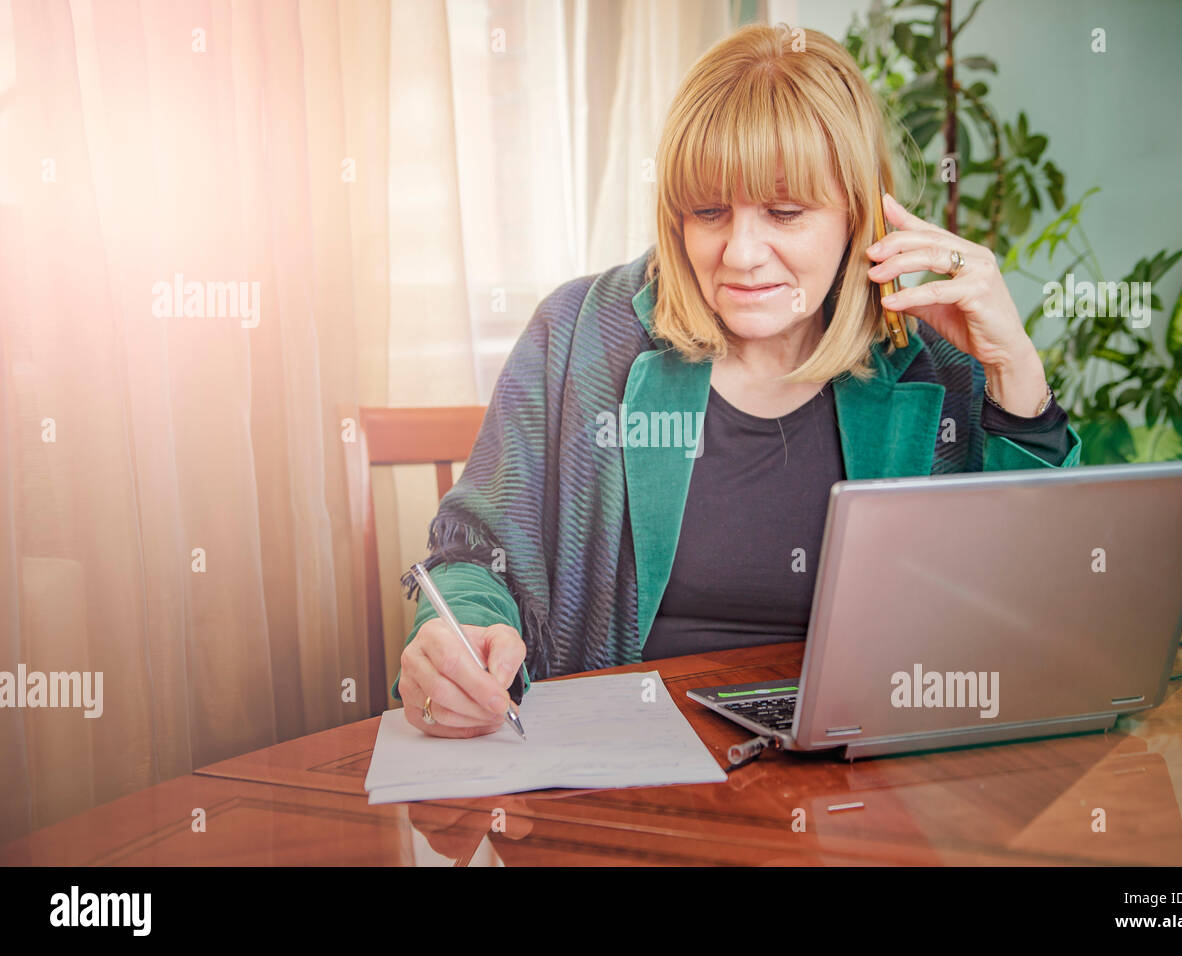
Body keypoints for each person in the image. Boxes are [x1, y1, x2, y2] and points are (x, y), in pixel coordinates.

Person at [393, 23, 1081, 737]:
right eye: (709, 211)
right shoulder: (578, 333)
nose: (742, 254)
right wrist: (460, 632)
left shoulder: (933, 358)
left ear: (861, 211)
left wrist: (1016, 374)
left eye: (785, 211)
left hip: (866, 790)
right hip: (624, 776)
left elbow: (1040, 622)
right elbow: (477, 555)